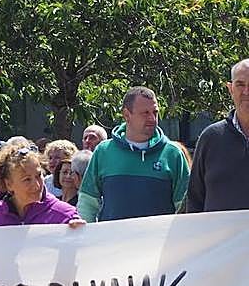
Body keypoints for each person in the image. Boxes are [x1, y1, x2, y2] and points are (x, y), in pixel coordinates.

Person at [77, 87, 189, 222]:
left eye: (155, 112)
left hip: (159, 236)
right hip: (112, 236)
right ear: (126, 115)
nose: (152, 118)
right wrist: (84, 231)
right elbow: (87, 203)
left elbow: (185, 208)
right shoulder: (103, 151)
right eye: (145, 113)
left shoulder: (173, 154)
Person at [186, 58, 249, 212]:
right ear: (230, 89)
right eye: (240, 85)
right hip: (217, 229)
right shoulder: (211, 138)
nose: (246, 92)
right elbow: (194, 200)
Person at [0, 143, 83, 227]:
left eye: (38, 175)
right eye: (27, 179)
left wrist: (80, 234)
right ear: (8, 184)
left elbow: (83, 247)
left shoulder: (66, 216)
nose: (36, 185)